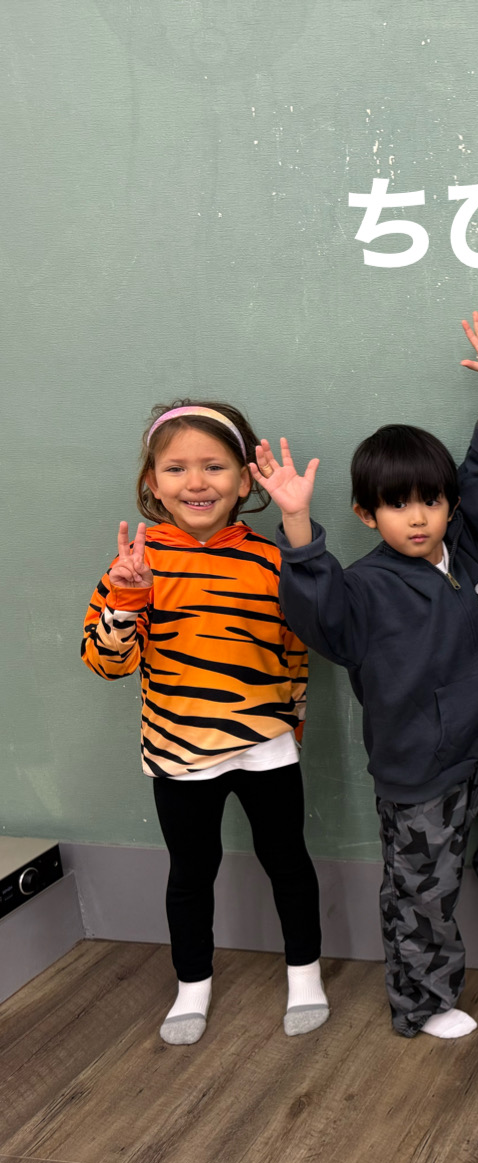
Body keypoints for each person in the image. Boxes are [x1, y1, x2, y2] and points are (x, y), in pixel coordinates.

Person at [254, 313, 478, 1040]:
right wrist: (297, 524)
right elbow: (319, 615)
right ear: (367, 514)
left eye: (430, 500)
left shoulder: (467, 547)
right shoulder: (364, 590)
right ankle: (423, 1005)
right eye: (397, 505)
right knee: (422, 896)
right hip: (419, 776)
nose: (417, 517)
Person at [82, 401, 325, 1045]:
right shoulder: (136, 564)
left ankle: (305, 974)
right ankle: (192, 983)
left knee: (288, 863)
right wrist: (127, 599)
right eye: (176, 468)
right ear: (152, 482)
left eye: (214, 466)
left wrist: (290, 728)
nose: (196, 482)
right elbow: (106, 663)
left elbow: (302, 649)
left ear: (245, 481)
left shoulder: (270, 560)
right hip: (178, 750)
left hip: (266, 745)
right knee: (191, 873)